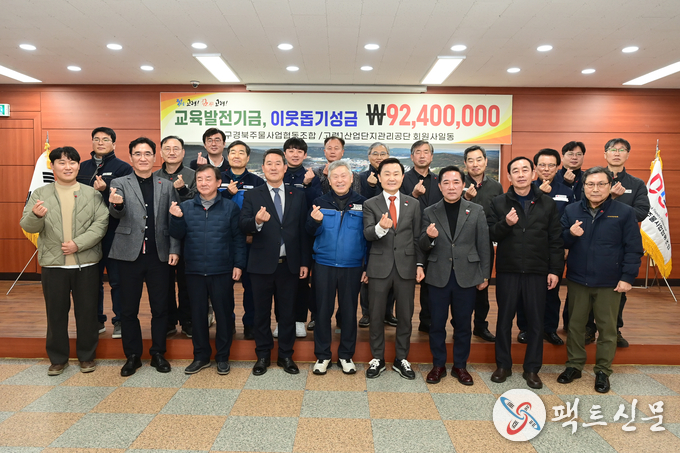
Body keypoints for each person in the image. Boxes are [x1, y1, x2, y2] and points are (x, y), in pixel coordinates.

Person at [21, 146, 109, 375]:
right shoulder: (40, 193)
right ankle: (58, 359)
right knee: (56, 314)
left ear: (79, 166)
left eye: (72, 162)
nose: (67, 167)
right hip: (54, 265)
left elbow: (101, 224)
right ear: (53, 166)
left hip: (86, 264)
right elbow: (27, 225)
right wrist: (35, 215)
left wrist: (78, 244)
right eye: (61, 162)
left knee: (87, 313)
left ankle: (87, 357)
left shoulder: (92, 194)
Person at [558, 167, 643, 393]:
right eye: (590, 184)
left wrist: (627, 277)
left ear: (610, 186)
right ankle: (574, 365)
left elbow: (634, 248)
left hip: (610, 282)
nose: (595, 189)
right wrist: (570, 234)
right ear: (583, 187)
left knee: (607, 329)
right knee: (575, 326)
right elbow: (559, 241)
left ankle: (603, 371)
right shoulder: (571, 209)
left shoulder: (624, 212)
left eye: (601, 184)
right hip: (578, 279)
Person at [488, 157, 563, 390]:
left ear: (533, 174)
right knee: (504, 320)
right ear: (508, 177)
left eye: (525, 170)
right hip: (508, 270)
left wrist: (555, 270)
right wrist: (506, 224)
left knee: (536, 322)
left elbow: (555, 240)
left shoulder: (548, 204)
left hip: (537, 271)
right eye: (515, 171)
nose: (520, 174)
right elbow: (490, 233)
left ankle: (532, 369)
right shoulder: (498, 202)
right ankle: (503, 365)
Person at [108, 137, 180, 377]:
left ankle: (158, 353)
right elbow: (116, 213)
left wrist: (174, 249)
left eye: (147, 153)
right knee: (128, 309)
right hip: (129, 255)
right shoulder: (119, 182)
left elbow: (173, 219)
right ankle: (132, 356)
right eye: (137, 154)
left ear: (155, 157)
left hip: (159, 255)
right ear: (130, 157)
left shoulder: (166, 185)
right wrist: (117, 205)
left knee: (160, 308)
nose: (143, 158)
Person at [169, 164, 247, 376]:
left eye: (208, 179)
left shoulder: (230, 208)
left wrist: (238, 264)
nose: (203, 183)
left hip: (222, 270)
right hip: (194, 270)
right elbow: (177, 234)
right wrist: (175, 218)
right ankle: (201, 357)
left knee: (224, 315)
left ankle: (222, 357)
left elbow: (238, 239)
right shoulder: (185, 207)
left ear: (218, 182)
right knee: (197, 316)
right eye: (200, 179)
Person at [239, 149, 310, 376]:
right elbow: (243, 224)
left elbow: (303, 231)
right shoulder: (252, 195)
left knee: (287, 313)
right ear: (263, 168)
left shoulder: (298, 194)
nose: (273, 167)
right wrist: (257, 222)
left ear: (285, 167)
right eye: (269, 163)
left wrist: (304, 262)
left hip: (289, 264)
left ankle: (286, 355)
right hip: (261, 265)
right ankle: (262, 355)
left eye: (277, 163)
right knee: (261, 313)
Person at [419, 166, 490, 385]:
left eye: (456, 182)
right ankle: (438, 365)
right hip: (438, 275)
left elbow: (483, 244)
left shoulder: (476, 210)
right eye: (446, 182)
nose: (451, 187)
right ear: (440, 186)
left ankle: (460, 365)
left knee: (463, 324)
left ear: (463, 185)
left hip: (467, 275)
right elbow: (422, 244)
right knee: (436, 324)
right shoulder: (429, 211)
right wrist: (429, 237)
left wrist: (484, 275)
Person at [363, 157, 425, 380]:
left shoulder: (413, 203)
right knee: (376, 315)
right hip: (379, 267)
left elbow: (417, 237)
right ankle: (377, 358)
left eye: (396, 174)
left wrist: (419, 264)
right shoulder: (370, 204)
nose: (391, 178)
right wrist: (380, 227)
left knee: (405, 315)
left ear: (402, 177)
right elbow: (367, 234)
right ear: (379, 178)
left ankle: (401, 358)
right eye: (386, 174)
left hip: (406, 267)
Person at [307, 160, 367, 375]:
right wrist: (314, 222)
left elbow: (368, 238)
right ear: (329, 180)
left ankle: (346, 355)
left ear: (351, 179)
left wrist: (367, 266)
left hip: (352, 266)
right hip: (324, 265)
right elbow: (309, 232)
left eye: (344, 176)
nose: (340, 180)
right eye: (335, 177)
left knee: (349, 312)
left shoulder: (363, 203)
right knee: (322, 312)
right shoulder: (319, 202)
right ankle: (322, 356)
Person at [590, 138, 649, 348]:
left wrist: (616, 209)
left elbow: (642, 211)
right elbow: (583, 207)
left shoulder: (636, 184)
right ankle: (588, 329)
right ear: (605, 154)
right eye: (612, 149)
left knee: (618, 291)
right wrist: (611, 199)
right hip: (591, 242)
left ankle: (614, 329)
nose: (617, 153)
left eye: (621, 150)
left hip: (620, 246)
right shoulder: (593, 178)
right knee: (587, 289)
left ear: (627, 155)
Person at [76, 126, 132, 338]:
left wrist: (105, 190)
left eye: (105, 139)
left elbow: (128, 200)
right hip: (88, 233)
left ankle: (120, 321)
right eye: (97, 139)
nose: (100, 143)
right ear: (92, 142)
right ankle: (96, 320)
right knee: (91, 281)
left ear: (114, 144)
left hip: (114, 232)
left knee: (117, 280)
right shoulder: (82, 167)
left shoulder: (123, 168)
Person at [516, 149, 575, 346]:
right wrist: (539, 194)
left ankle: (549, 329)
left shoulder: (567, 191)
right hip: (528, 250)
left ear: (558, 167)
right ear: (535, 168)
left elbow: (570, 220)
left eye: (551, 165)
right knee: (525, 293)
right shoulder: (525, 188)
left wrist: (565, 245)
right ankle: (525, 328)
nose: (546, 169)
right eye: (542, 165)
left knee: (551, 292)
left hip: (553, 249)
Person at [154, 135, 196, 338]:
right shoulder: (154, 176)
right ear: (161, 152)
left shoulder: (194, 175)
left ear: (183, 152)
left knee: (188, 283)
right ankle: (169, 321)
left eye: (176, 148)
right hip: (162, 237)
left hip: (189, 236)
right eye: (167, 148)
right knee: (164, 283)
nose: (171, 152)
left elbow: (199, 202)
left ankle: (188, 321)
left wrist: (183, 190)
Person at [400, 140, 442, 334]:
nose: (422, 155)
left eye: (426, 152)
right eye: (418, 152)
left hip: (434, 237)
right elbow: (397, 208)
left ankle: (427, 321)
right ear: (412, 156)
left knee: (431, 282)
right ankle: (400, 322)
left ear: (431, 157)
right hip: (408, 237)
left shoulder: (439, 180)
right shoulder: (403, 179)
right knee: (404, 284)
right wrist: (413, 195)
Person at [462, 145, 503, 342]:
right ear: (465, 163)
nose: (475, 164)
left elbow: (498, 214)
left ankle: (480, 325)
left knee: (482, 285)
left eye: (479, 159)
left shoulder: (496, 187)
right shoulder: (458, 183)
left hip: (484, 243)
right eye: (470, 160)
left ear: (486, 161)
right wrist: (465, 198)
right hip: (461, 242)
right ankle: (461, 326)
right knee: (462, 287)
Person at [283, 137, 321, 334]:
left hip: (302, 235)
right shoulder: (278, 173)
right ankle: (282, 321)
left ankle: (299, 320)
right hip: (280, 235)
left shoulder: (311, 176)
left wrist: (307, 185)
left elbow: (316, 204)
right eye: (291, 150)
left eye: (299, 151)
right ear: (285, 153)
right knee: (280, 282)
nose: (295, 154)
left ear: (305, 155)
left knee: (301, 280)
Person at [357, 142, 395, 328]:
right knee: (368, 271)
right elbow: (360, 202)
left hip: (392, 231)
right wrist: (371, 187)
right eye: (375, 153)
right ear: (369, 156)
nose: (379, 157)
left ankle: (388, 312)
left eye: (383, 153)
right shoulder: (361, 177)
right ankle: (367, 312)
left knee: (391, 271)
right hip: (369, 230)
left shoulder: (392, 177)